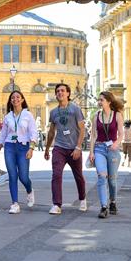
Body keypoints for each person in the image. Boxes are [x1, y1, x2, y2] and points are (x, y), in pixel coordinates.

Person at [44, 83, 87, 215]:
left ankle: (83, 199)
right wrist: (46, 149)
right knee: (56, 175)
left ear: (68, 93)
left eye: (62, 91)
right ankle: (57, 204)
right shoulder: (53, 112)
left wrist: (78, 147)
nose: (60, 93)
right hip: (59, 148)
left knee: (78, 176)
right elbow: (51, 132)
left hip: (74, 148)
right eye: (57, 91)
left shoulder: (75, 109)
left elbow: (82, 129)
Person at [0, 91, 37, 214]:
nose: (15, 99)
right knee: (12, 175)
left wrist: (31, 148)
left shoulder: (28, 115)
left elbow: (34, 133)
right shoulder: (8, 117)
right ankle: (15, 204)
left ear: (22, 100)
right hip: (10, 147)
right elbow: (3, 135)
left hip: (23, 147)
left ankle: (29, 190)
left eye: (18, 97)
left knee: (23, 177)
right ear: (10, 101)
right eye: (13, 97)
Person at [88, 91, 124, 219]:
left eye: (102, 100)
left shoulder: (117, 115)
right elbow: (93, 135)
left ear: (109, 101)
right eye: (98, 99)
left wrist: (116, 143)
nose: (99, 102)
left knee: (112, 180)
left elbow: (121, 134)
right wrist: (91, 152)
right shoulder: (96, 116)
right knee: (102, 176)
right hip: (99, 149)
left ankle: (112, 201)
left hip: (113, 150)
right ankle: (104, 207)